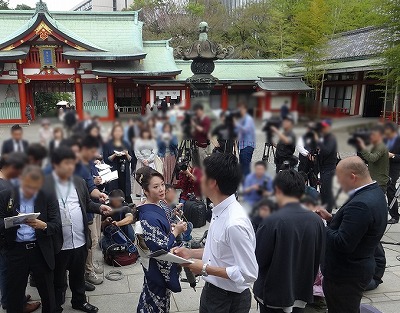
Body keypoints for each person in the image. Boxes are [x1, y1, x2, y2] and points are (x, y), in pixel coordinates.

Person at [174, 153, 258, 313]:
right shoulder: (220, 209)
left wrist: (205, 268)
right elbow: (219, 252)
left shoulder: (234, 223)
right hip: (213, 291)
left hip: (229, 299)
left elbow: (249, 273)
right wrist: (190, 253)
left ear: (213, 183)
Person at [44, 147, 112, 313]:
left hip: (79, 239)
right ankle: (56, 305)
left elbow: (87, 204)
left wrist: (100, 208)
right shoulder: (45, 187)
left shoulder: (79, 182)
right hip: (59, 242)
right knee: (58, 279)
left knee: (77, 274)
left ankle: (79, 301)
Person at [316, 156, 387, 313]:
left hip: (345, 275)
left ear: (352, 177)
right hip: (358, 268)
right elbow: (359, 227)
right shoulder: (375, 192)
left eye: (340, 180)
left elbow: (343, 243)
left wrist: (321, 226)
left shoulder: (360, 204)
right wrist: (331, 218)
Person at [254, 170, 325, 313]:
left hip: (273, 294)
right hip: (302, 291)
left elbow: (258, 259)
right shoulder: (317, 220)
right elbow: (320, 255)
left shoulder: (272, 220)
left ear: (277, 190)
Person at [0, 165, 62, 313]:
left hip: (40, 250)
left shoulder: (47, 195)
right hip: (16, 250)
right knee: (14, 294)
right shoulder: (5, 195)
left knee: (47, 293)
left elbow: (57, 224)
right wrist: (10, 222)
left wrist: (43, 225)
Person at [134, 167, 187, 313]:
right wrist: (176, 231)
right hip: (157, 267)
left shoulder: (158, 204)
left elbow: (162, 229)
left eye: (162, 184)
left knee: (151, 296)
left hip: (156, 265)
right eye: (155, 186)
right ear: (145, 190)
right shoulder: (148, 215)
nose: (161, 189)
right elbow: (160, 247)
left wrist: (172, 227)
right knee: (156, 300)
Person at [0, 152, 32, 312]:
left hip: (7, 240)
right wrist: (15, 220)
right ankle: (14, 303)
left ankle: (12, 299)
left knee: (7, 273)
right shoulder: (5, 189)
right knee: (9, 273)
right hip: (8, 240)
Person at [103, 124, 133, 203]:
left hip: (124, 171)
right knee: (113, 192)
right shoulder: (107, 144)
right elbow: (106, 159)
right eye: (116, 131)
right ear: (113, 133)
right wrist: (114, 155)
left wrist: (126, 154)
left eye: (119, 131)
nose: (118, 133)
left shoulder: (126, 144)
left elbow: (130, 159)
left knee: (125, 193)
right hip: (113, 171)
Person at [358, 124, 390, 193]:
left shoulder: (381, 147)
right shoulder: (374, 145)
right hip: (373, 181)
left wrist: (363, 148)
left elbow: (372, 158)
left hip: (379, 183)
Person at [316, 119, 338, 213]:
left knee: (327, 192)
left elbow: (326, 151)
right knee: (323, 192)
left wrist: (319, 143)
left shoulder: (331, 138)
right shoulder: (324, 138)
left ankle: (327, 213)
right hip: (324, 169)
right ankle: (323, 210)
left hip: (329, 170)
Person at [133, 128, 158, 196]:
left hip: (150, 161)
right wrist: (143, 160)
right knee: (140, 176)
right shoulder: (138, 141)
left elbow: (155, 151)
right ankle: (140, 192)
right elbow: (136, 152)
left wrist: (148, 160)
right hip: (141, 162)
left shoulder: (152, 141)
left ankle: (152, 190)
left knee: (151, 177)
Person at [384, 122, 400, 224]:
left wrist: (393, 156)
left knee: (390, 188)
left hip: (395, 167)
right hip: (383, 167)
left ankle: (395, 216)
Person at [236, 102, 256, 178]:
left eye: (241, 109)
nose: (240, 111)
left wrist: (236, 124)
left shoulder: (248, 119)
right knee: (242, 166)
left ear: (245, 110)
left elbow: (245, 130)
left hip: (247, 146)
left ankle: (248, 185)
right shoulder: (241, 119)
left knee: (246, 167)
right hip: (242, 146)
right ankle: (244, 183)